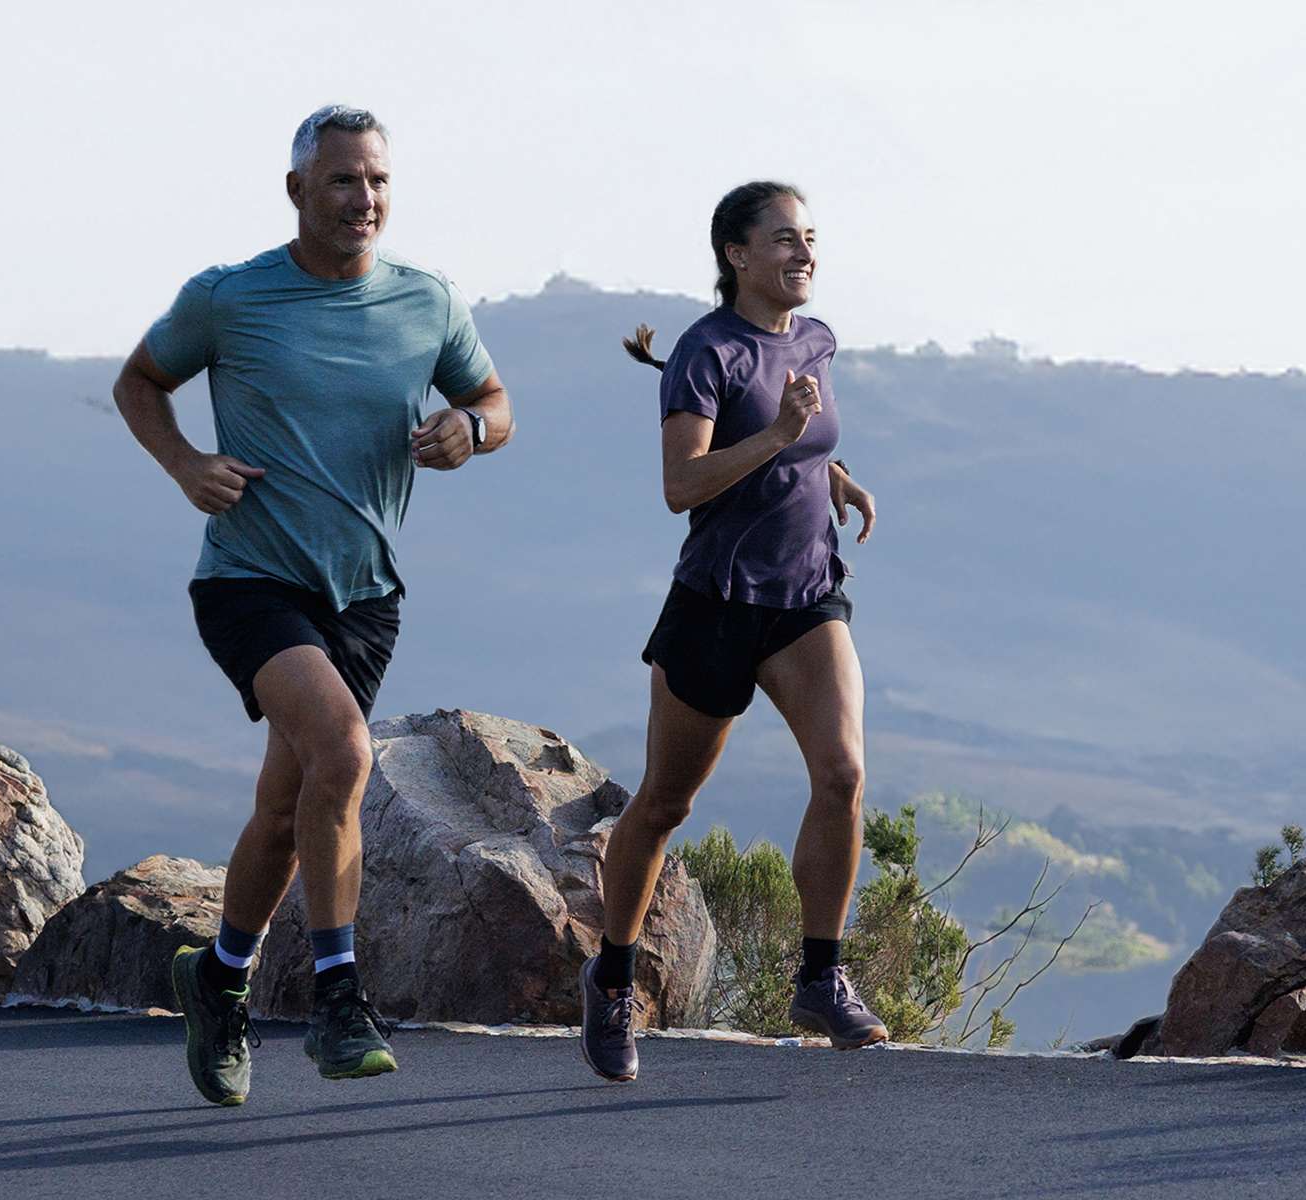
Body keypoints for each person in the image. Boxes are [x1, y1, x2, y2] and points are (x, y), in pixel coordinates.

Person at [111, 104, 513, 1105]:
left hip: (363, 598)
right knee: (342, 751)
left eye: (376, 180)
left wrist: (468, 425)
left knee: (287, 809)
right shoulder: (232, 298)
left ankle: (217, 981)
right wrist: (184, 463)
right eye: (342, 181)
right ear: (297, 191)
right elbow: (139, 383)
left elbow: (499, 406)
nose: (362, 199)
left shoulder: (428, 301)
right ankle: (340, 1000)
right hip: (248, 579)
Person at [580, 181, 882, 1082]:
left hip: (804, 600)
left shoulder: (816, 340)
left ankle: (821, 978)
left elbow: (803, 437)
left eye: (812, 239)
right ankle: (614, 975)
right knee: (665, 805)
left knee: (843, 774)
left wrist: (834, 475)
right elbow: (683, 484)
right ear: (736, 255)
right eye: (785, 240)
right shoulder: (703, 354)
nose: (805, 254)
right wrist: (783, 439)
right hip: (715, 606)